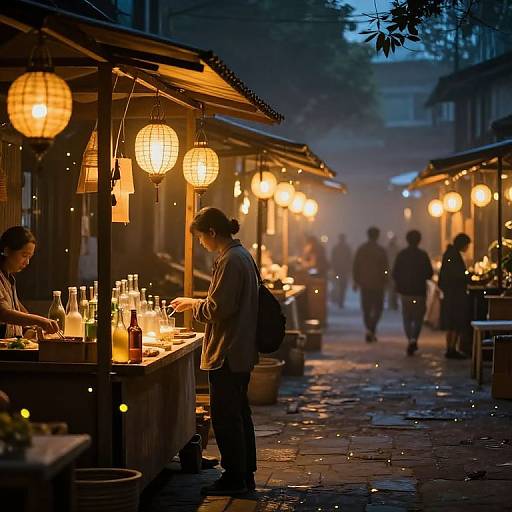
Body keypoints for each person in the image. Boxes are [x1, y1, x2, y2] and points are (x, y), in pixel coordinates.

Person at [171, 207, 259, 496]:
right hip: (239, 349)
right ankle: (245, 474)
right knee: (238, 415)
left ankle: (235, 477)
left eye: (200, 237)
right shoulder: (240, 255)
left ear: (211, 232)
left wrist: (192, 304)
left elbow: (218, 308)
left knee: (226, 417)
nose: (200, 244)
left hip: (228, 351)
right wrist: (195, 301)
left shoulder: (232, 260)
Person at [0, 226, 59, 338]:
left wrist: (33, 328)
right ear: (7, 251)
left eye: (30, 257)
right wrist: (40, 321)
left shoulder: (9, 279)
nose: (27, 262)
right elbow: (3, 312)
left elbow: (17, 309)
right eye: (24, 255)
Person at [392, 230, 433, 356]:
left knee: (407, 317)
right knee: (418, 317)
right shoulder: (423, 255)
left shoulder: (401, 254)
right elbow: (429, 273)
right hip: (419, 291)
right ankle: (414, 338)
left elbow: (395, 273)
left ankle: (410, 339)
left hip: (405, 292)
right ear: (419, 240)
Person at [438, 233, 472, 359]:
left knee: (452, 322)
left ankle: (451, 347)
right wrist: (468, 277)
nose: (468, 248)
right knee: (455, 321)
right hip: (455, 293)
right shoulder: (453, 255)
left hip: (451, 293)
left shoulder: (451, 254)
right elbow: (456, 275)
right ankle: (451, 348)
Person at [353, 227, 388, 342]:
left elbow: (356, 266)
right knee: (378, 308)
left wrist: (356, 281)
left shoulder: (361, 249)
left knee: (366, 308)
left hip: (365, 284)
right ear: (377, 236)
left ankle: (369, 329)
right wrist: (386, 280)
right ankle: (372, 328)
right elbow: (385, 268)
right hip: (378, 284)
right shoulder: (381, 251)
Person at [331, 233, 352, 308]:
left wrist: (333, 268)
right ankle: (341, 301)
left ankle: (339, 300)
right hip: (344, 271)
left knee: (337, 285)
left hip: (338, 271)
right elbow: (350, 260)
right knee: (343, 286)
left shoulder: (336, 248)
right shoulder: (347, 248)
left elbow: (333, 259)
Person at [387, 235, 400, 310]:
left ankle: (392, 303)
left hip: (392, 270)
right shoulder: (397, 249)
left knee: (392, 288)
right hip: (392, 270)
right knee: (393, 288)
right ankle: (393, 303)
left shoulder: (387, 248)